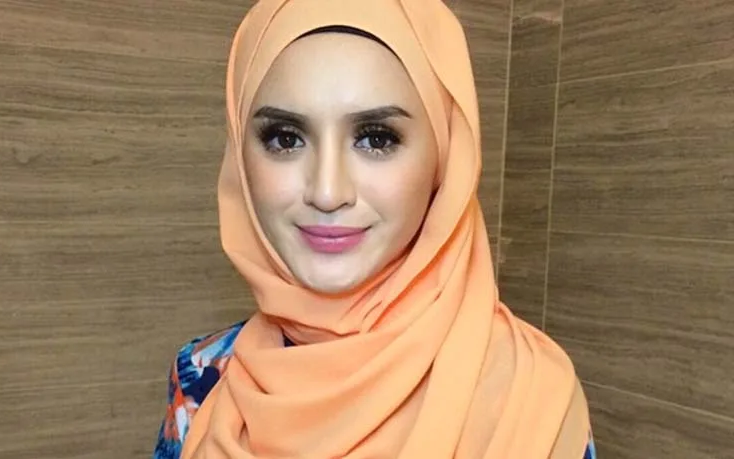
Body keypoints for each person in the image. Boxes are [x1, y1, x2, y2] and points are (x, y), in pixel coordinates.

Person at [154, 0, 596, 457]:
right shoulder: (201, 377)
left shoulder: (533, 395)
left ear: (444, 160)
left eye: (376, 139)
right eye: (286, 139)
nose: (328, 192)